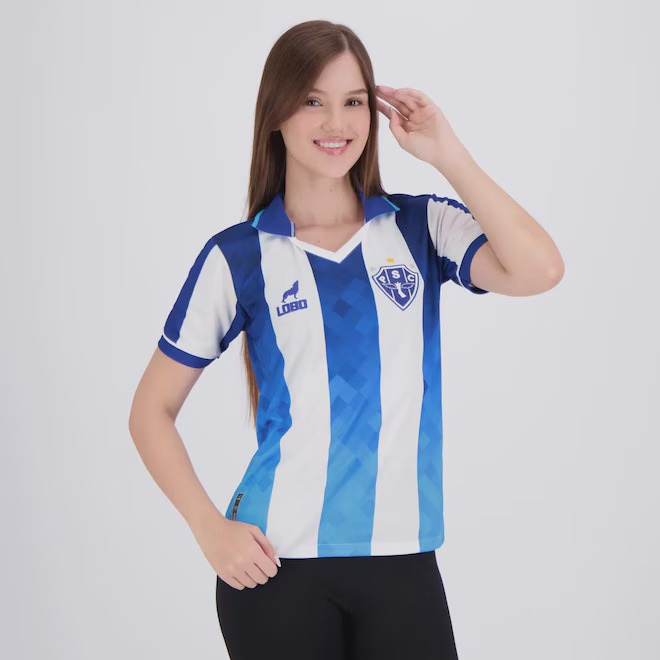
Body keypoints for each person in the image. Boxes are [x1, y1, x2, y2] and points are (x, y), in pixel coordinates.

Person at [128, 19, 564, 660]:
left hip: (404, 560)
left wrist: (447, 152)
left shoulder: (421, 226)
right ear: (276, 114)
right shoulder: (238, 256)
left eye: (354, 101)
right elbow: (150, 411)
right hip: (276, 566)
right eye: (313, 100)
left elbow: (540, 269)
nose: (337, 122)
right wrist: (208, 529)